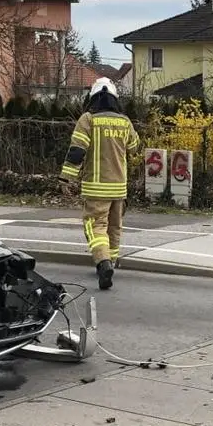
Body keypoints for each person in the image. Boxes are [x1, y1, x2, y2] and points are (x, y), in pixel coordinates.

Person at [58, 77, 140, 290]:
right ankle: (110, 262)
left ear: (93, 98)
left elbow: (77, 151)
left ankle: (103, 262)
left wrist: (66, 178)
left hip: (96, 188)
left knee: (95, 227)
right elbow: (135, 147)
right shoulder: (124, 121)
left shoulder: (88, 119)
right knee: (114, 227)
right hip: (119, 188)